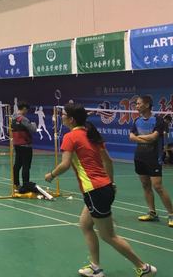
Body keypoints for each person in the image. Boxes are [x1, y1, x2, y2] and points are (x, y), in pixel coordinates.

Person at [45, 104, 157, 277]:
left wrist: (51, 175)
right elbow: (108, 161)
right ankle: (95, 267)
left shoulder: (70, 137)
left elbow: (65, 164)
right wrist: (111, 183)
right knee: (85, 225)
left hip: (94, 191)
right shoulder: (92, 134)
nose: (62, 117)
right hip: (104, 188)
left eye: (64, 114)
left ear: (71, 119)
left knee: (108, 236)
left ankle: (144, 267)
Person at [129, 95, 173, 226]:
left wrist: (138, 138)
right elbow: (131, 136)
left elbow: (154, 137)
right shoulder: (137, 121)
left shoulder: (158, 120)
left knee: (158, 186)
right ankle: (152, 213)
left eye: (139, 103)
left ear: (147, 105)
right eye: (136, 104)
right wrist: (143, 138)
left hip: (154, 158)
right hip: (140, 157)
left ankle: (171, 214)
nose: (136, 106)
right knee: (145, 185)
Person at [11, 101, 36, 193]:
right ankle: (25, 186)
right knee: (26, 166)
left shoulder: (13, 118)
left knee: (17, 165)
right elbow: (33, 129)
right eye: (27, 110)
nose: (27, 111)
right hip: (26, 145)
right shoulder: (23, 119)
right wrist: (34, 124)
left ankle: (16, 184)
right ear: (24, 109)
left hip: (17, 145)